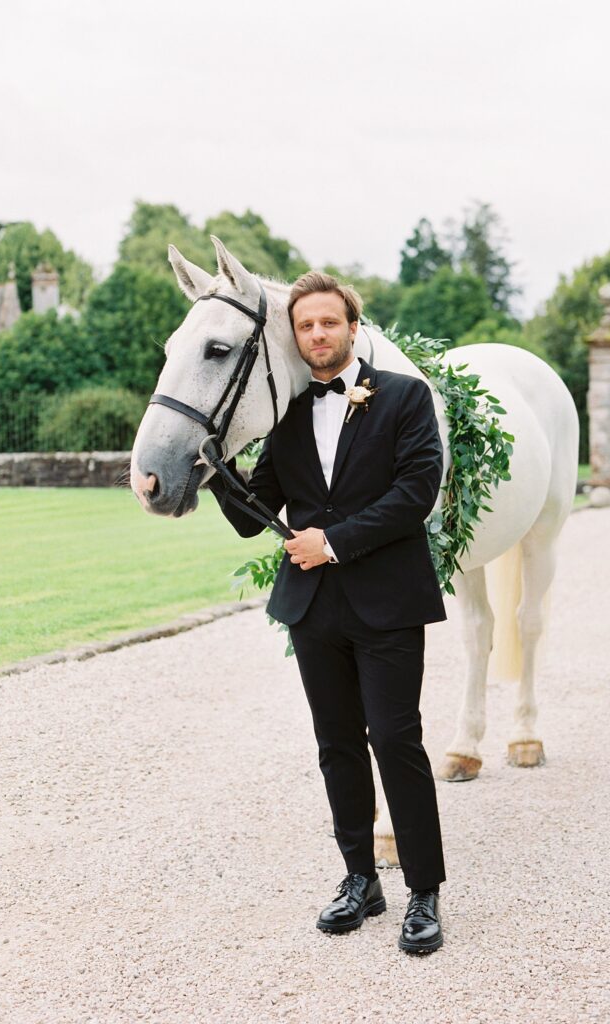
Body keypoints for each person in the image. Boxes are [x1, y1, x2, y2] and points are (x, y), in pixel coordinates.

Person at [207, 270, 447, 954]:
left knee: (396, 740)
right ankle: (358, 880)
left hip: (389, 601)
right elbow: (256, 517)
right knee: (335, 744)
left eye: (327, 322)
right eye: (305, 325)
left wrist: (334, 541)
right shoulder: (283, 416)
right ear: (296, 336)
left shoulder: (403, 396)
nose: (316, 334)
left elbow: (415, 492)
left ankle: (423, 893)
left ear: (350, 327)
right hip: (312, 608)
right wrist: (213, 463)